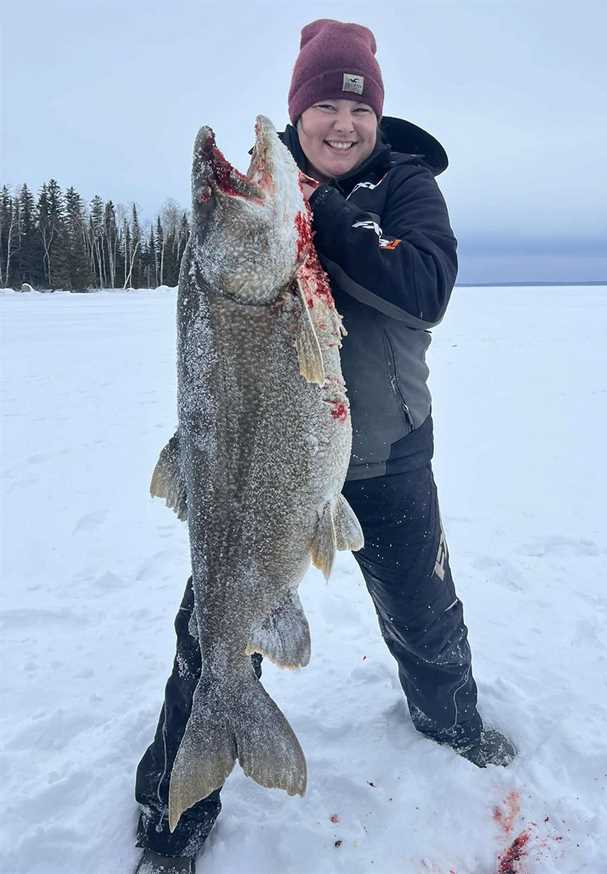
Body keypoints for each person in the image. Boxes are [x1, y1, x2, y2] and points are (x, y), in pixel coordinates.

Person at [133, 19, 514, 874]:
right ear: (297, 111)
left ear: (377, 117)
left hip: (391, 458)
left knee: (427, 621)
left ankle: (454, 731)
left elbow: (426, 288)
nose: (342, 124)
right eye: (323, 107)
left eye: (357, 109)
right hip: (258, 478)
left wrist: (327, 219)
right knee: (214, 629)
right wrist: (281, 216)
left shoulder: (408, 189)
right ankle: (172, 811)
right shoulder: (263, 224)